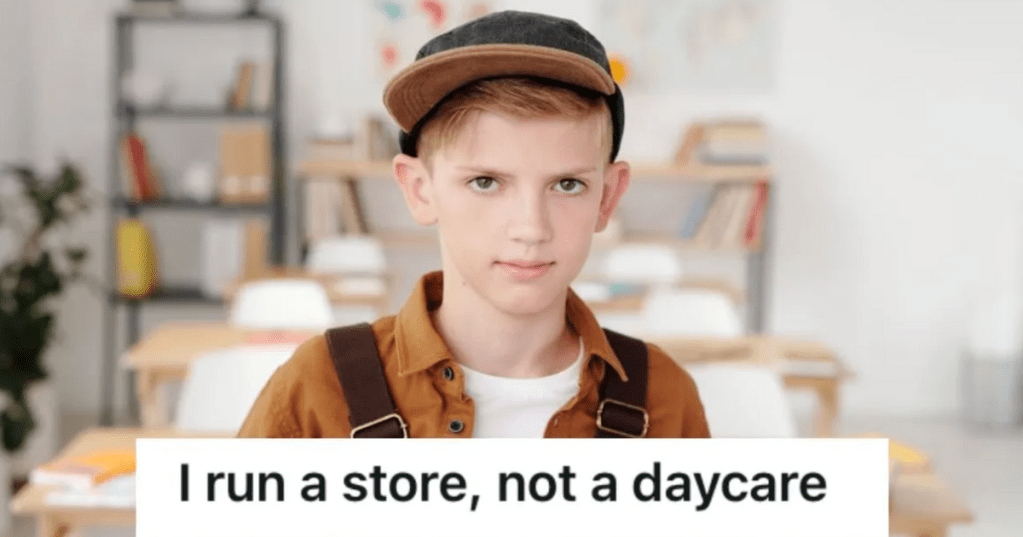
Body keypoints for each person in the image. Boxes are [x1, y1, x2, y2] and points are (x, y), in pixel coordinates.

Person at [238, 10, 709, 439]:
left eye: (567, 185)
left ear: (607, 197)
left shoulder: (664, 400)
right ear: (420, 190)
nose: (530, 228)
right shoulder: (318, 388)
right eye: (485, 182)